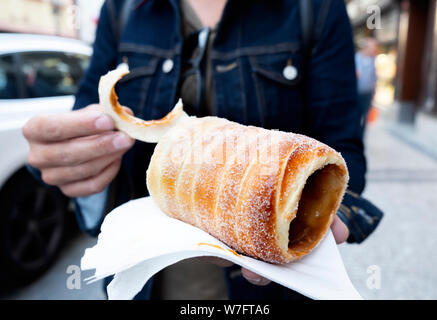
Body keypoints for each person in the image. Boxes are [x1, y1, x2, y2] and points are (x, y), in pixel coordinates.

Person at [22, 0, 365, 299]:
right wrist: (74, 160)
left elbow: (344, 145)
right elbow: (85, 117)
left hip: (270, 289)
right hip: (149, 283)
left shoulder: (315, 8)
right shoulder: (123, 8)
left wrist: (337, 215)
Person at [355, 37, 379, 134]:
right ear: (366, 48)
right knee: (355, 116)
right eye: (372, 47)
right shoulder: (356, 58)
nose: (373, 50)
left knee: (366, 116)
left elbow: (374, 77)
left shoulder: (373, 60)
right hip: (356, 93)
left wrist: (374, 92)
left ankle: (361, 136)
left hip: (368, 94)